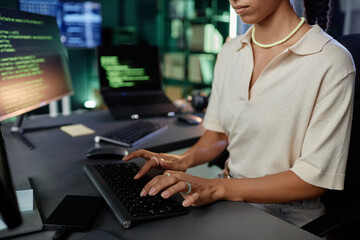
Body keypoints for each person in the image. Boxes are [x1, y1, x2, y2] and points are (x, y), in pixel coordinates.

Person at [123, 0, 355, 227]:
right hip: (228, 196)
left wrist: (216, 188)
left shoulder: (330, 61)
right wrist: (183, 160)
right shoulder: (230, 50)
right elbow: (220, 134)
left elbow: (311, 179)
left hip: (286, 216)